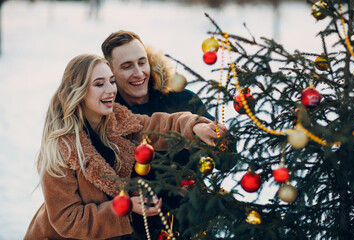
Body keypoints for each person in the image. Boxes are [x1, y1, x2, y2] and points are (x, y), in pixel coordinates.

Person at [24, 54, 226, 240]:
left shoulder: (117, 120)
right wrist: (126, 207)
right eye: (99, 84)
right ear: (78, 91)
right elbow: (67, 219)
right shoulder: (60, 148)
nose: (111, 89)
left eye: (112, 81)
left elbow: (156, 126)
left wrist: (194, 126)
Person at [101, 30, 221, 239]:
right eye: (127, 66)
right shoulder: (105, 116)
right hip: (135, 231)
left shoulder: (181, 99)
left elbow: (226, 160)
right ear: (110, 73)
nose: (139, 73)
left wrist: (220, 141)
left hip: (191, 225)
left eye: (142, 62)